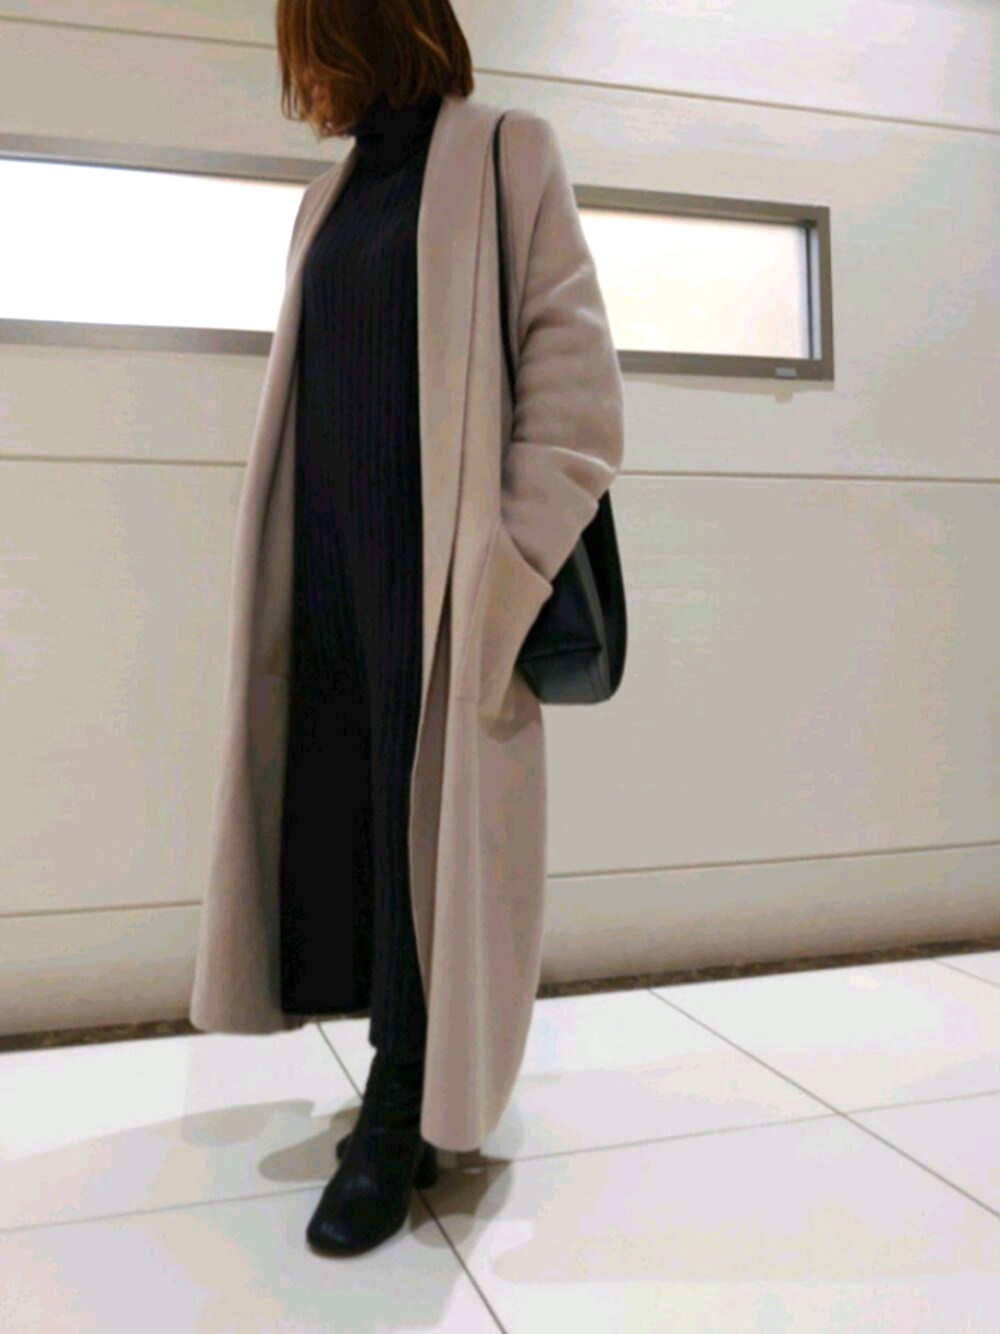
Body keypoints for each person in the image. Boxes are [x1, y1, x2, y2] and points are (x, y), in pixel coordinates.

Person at [189, 0, 625, 1258]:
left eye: (309, 43)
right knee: (352, 818)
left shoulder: (505, 150)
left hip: (441, 579)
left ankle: (402, 1106)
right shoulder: (325, 200)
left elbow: (575, 390)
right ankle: (399, 1069)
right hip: (330, 561)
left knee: (426, 834)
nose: (301, 74)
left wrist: (505, 572)